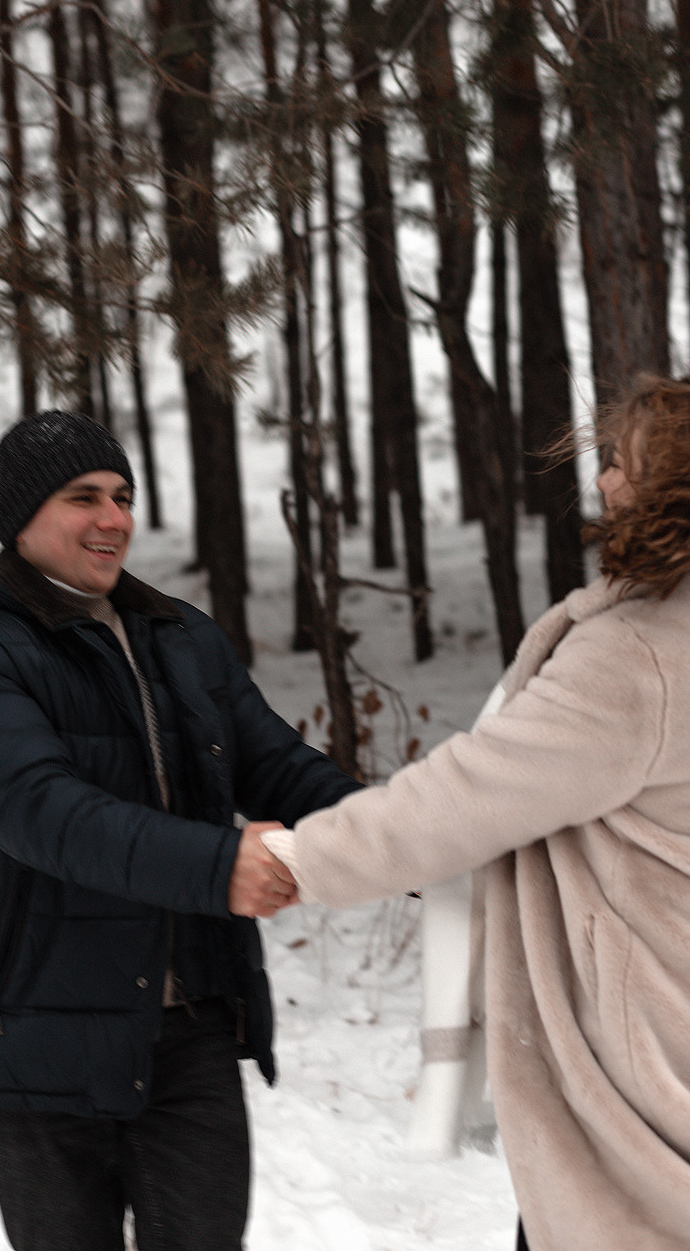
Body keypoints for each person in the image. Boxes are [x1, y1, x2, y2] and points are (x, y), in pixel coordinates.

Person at [263, 374, 690, 1251]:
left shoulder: (636, 658)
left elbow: (462, 799)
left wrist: (298, 859)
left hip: (640, 1080)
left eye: (625, 465)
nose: (605, 482)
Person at [0, 409, 358, 1251]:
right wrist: (220, 866)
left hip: (191, 1035)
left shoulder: (180, 637)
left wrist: (419, 837)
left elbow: (279, 768)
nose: (114, 518)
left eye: (123, 496)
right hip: (45, 1041)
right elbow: (46, 816)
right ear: (22, 518)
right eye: (84, 497)